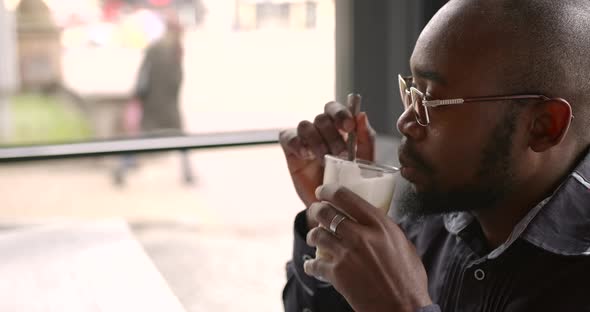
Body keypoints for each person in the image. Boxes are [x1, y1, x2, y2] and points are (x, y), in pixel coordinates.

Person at [279, 0, 590, 311]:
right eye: (412, 91)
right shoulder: (440, 209)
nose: (405, 122)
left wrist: (402, 307)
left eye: (432, 101)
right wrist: (333, 222)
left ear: (542, 127)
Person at [114, 11, 194, 186]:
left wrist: (138, 95)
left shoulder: (164, 48)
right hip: (163, 104)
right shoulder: (171, 49)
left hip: (156, 103)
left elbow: (143, 77)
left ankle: (123, 168)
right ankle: (123, 167)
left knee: (145, 137)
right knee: (177, 138)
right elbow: (170, 79)